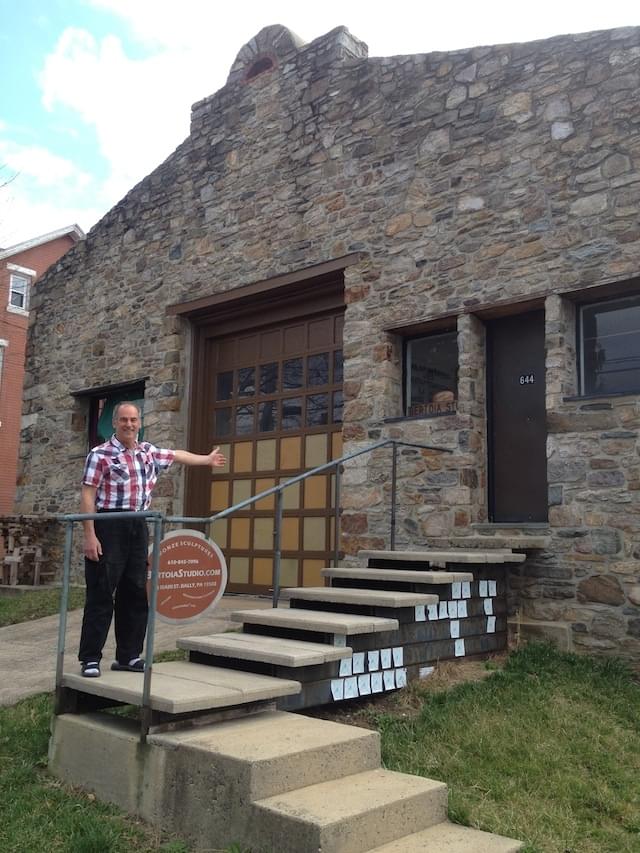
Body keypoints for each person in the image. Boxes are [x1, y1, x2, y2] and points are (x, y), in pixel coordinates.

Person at [78, 401, 226, 677]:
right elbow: (88, 495)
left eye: (133, 420)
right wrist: (89, 534)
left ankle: (129, 656)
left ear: (140, 422)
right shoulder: (100, 454)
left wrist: (206, 460)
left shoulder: (148, 452)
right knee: (101, 594)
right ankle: (90, 659)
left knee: (135, 593)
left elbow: (179, 455)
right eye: (124, 420)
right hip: (109, 525)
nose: (129, 424)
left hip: (138, 525)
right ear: (115, 423)